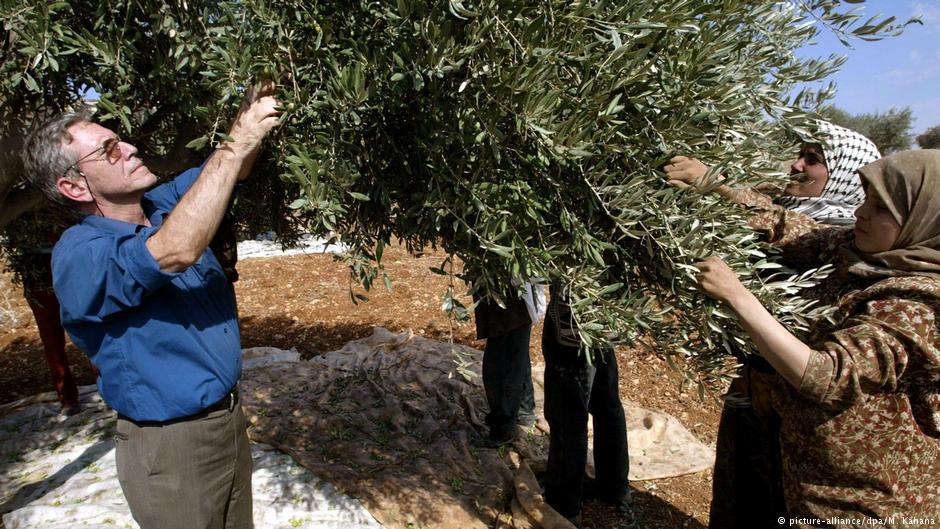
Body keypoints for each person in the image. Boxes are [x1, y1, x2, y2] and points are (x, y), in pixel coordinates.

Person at [21, 81, 280, 529]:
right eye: (109, 150)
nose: (130, 147)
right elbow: (174, 250)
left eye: (119, 139)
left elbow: (227, 173)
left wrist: (252, 111)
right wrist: (239, 140)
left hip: (228, 422)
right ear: (74, 186)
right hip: (170, 448)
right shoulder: (80, 254)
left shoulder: (161, 206)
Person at [695, 149, 940, 524]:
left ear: (922, 219)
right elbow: (792, 229)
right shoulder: (860, 251)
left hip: (850, 498)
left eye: (879, 208)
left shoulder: (918, 304)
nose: (861, 213)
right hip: (791, 459)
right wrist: (714, 185)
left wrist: (737, 295)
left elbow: (827, 376)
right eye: (865, 201)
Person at [666, 121, 881, 527]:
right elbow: (775, 220)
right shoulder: (811, 224)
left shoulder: (855, 244)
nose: (797, 164)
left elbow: (828, 371)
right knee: (737, 497)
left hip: (804, 416)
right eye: (801, 154)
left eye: (813, 160)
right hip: (754, 388)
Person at [541, 286, 632, 527]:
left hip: (574, 314)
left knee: (567, 411)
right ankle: (614, 486)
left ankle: (564, 503)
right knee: (607, 401)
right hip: (606, 310)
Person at [474, 292, 537, 446]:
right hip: (513, 288)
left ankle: (504, 426)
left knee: (502, 353)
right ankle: (523, 410)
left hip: (507, 289)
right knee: (515, 343)